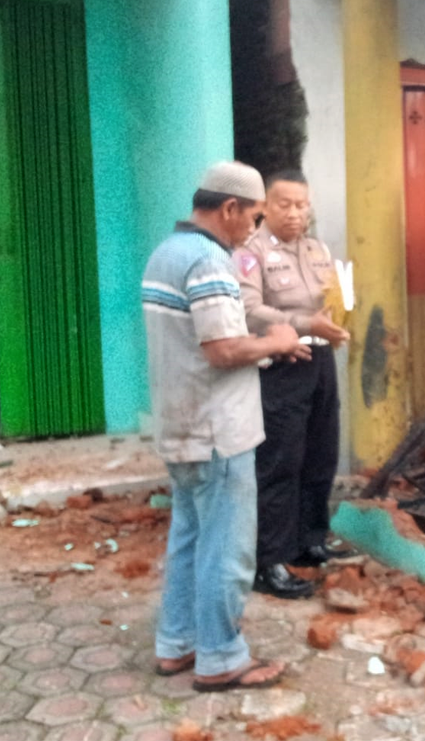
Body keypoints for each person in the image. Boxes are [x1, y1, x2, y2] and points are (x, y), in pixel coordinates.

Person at [141, 161, 310, 691]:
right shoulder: (210, 261)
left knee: (190, 538)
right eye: (254, 217)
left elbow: (200, 342)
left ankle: (177, 644)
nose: (254, 230)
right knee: (228, 548)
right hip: (218, 432)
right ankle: (220, 658)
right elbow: (222, 349)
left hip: (181, 421)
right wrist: (278, 343)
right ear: (230, 208)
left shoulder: (165, 253)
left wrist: (259, 349)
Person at [234, 169, 352, 599]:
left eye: (302, 205)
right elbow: (248, 309)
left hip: (320, 361)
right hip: (281, 363)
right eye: (284, 204)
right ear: (265, 206)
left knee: (321, 454)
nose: (295, 213)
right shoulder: (251, 253)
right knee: (280, 462)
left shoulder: (317, 249)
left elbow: (331, 302)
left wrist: (340, 323)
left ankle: (309, 542)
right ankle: (270, 561)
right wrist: (301, 323)